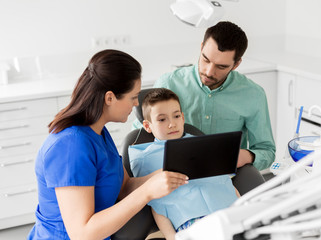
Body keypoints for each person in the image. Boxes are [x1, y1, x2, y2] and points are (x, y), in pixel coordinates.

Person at [27, 50, 189, 240]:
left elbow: (125, 187)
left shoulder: (98, 132)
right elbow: (82, 234)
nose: (136, 103)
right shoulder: (71, 146)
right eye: (133, 97)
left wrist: (168, 173)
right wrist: (147, 192)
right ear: (110, 98)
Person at [153, 21, 276, 171]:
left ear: (236, 64)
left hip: (226, 177)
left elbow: (267, 150)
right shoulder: (169, 83)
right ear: (201, 47)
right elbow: (140, 138)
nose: (209, 72)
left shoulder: (253, 95)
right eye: (205, 59)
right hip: (175, 174)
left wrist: (247, 156)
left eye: (221, 66)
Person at [129, 88, 240, 240]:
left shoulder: (205, 145)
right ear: (148, 126)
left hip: (230, 214)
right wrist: (171, 237)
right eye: (162, 119)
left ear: (182, 118)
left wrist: (243, 208)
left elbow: (226, 183)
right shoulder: (144, 158)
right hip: (193, 221)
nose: (171, 124)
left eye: (175, 116)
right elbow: (156, 204)